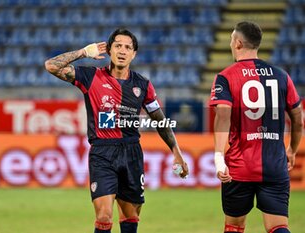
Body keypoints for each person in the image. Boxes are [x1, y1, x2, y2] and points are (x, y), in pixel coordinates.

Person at [44, 28, 188, 233]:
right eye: (118, 46)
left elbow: (159, 120)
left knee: (131, 217)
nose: (122, 51)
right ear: (109, 50)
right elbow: (51, 65)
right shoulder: (91, 76)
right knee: (103, 216)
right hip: (102, 153)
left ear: (134, 54)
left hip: (131, 153)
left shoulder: (142, 85)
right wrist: (83, 52)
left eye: (128, 47)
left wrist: (177, 152)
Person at [209, 21, 303, 233]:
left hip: (239, 167)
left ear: (239, 43)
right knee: (278, 226)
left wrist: (217, 157)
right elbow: (298, 119)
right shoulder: (281, 76)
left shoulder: (225, 77)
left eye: (232, 40)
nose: (231, 45)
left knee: (234, 226)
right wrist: (292, 150)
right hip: (274, 165)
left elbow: (222, 115)